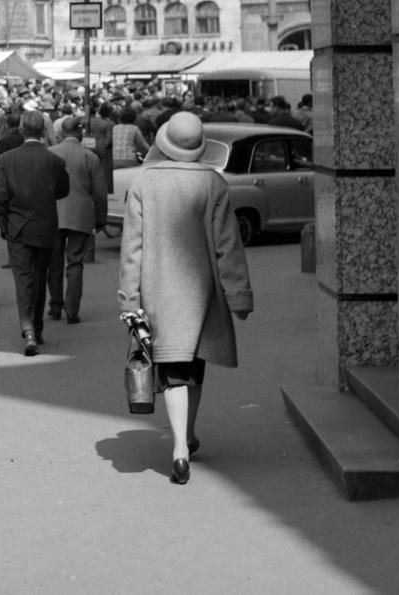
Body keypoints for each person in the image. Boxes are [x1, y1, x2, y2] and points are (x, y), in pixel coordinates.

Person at [117, 112, 253, 486]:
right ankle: (188, 436)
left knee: (173, 369)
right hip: (203, 291)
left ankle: (179, 447)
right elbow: (229, 245)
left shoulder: (144, 181)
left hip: (158, 290)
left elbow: (132, 249)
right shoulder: (213, 183)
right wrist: (239, 294)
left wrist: (129, 299)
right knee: (194, 366)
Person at [0, 110, 70, 356]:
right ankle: (36, 325)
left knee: (23, 280)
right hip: (45, 226)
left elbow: (0, 198)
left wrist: (3, 225)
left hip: (18, 228)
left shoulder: (7, 160)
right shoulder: (54, 160)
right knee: (39, 278)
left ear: (23, 130)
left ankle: (28, 329)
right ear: (42, 130)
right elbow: (62, 190)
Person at [48, 115, 108, 324]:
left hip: (53, 215)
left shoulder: (51, 154)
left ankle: (55, 306)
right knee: (75, 263)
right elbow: (100, 192)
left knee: (53, 263)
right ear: (80, 133)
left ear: (62, 133)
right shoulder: (89, 157)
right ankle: (72, 309)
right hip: (81, 216)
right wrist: (101, 218)